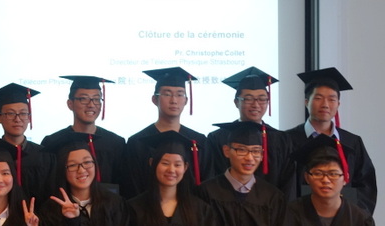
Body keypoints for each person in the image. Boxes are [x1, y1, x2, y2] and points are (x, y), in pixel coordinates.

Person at [285, 67, 377, 215]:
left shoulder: (352, 142)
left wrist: (354, 216)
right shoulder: (286, 140)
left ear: (338, 104)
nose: (325, 104)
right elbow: (281, 186)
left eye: (332, 99)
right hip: (298, 220)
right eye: (318, 98)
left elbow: (366, 186)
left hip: (344, 221)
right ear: (306, 102)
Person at [205, 67, 295, 199]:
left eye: (262, 99)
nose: (256, 105)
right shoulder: (217, 138)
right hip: (225, 206)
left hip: (271, 207)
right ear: (236, 102)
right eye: (248, 99)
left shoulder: (281, 140)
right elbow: (212, 179)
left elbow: (288, 183)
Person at [124, 67, 208, 199]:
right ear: (154, 99)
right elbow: (133, 186)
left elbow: (207, 182)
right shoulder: (137, 142)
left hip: (192, 210)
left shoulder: (199, 141)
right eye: (167, 94)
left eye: (180, 94)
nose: (174, 100)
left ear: (186, 101)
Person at [0, 83, 54, 206]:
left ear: (29, 118)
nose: (17, 119)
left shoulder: (45, 155)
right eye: (10, 113)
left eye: (23, 113)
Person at [41, 75, 125, 193]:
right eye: (83, 99)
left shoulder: (115, 143)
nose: (91, 104)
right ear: (70, 104)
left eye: (96, 99)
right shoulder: (53, 142)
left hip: (109, 204)